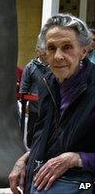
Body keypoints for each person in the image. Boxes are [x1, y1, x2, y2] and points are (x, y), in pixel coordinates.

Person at [9, 13, 95, 194]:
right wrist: (24, 160)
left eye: (67, 47)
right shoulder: (48, 82)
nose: (58, 56)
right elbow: (46, 139)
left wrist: (76, 159)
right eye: (51, 48)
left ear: (84, 51)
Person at [20, 41, 51, 148]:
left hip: (49, 107)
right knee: (32, 128)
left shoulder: (53, 66)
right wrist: (23, 102)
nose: (46, 52)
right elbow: (24, 85)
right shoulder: (30, 67)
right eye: (44, 50)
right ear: (37, 51)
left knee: (46, 130)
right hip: (34, 106)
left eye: (48, 50)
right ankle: (30, 148)